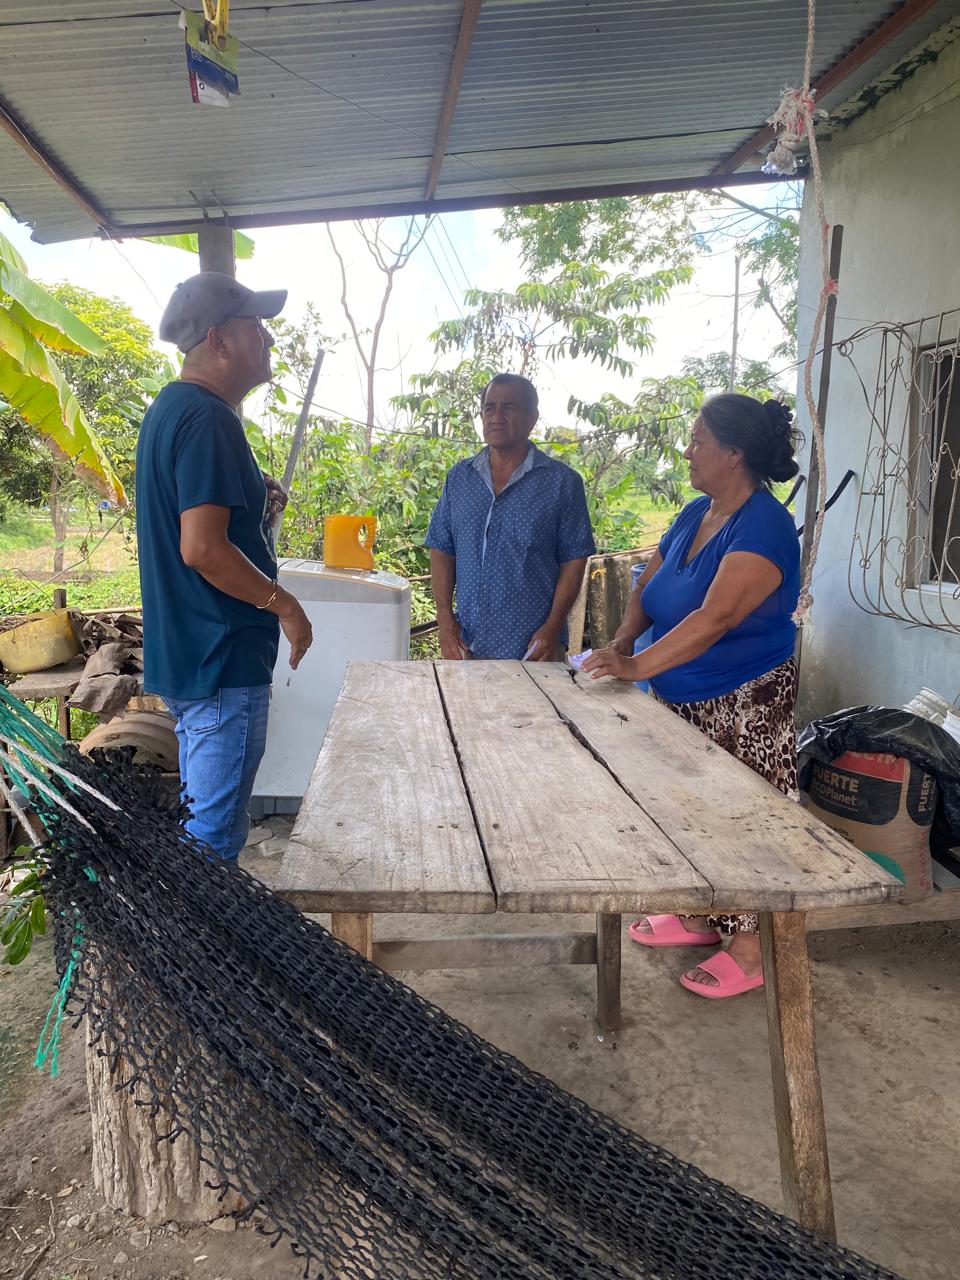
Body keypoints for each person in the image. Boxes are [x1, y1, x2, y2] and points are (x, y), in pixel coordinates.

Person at [583, 393, 801, 999]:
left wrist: (635, 665)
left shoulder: (764, 526)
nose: (687, 451)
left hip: (743, 701)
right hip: (679, 694)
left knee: (745, 819)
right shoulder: (694, 513)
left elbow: (715, 618)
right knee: (689, 812)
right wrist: (622, 641)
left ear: (734, 453)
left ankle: (751, 948)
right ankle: (703, 917)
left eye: (698, 440)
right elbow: (646, 588)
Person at [136, 272, 313, 860]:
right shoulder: (209, 418)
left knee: (201, 829)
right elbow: (203, 549)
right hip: (221, 658)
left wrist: (254, 497)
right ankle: (196, 926)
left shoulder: (171, 409)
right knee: (212, 844)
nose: (269, 339)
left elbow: (194, 522)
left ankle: (190, 918)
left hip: (191, 656)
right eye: (256, 327)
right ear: (218, 340)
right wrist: (285, 605)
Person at [426, 373, 595, 662]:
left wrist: (553, 627)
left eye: (509, 407)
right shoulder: (459, 478)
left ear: (532, 418)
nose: (496, 417)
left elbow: (574, 561)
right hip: (467, 647)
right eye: (489, 407)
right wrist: (444, 619)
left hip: (535, 651)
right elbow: (442, 548)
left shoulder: (561, 483)